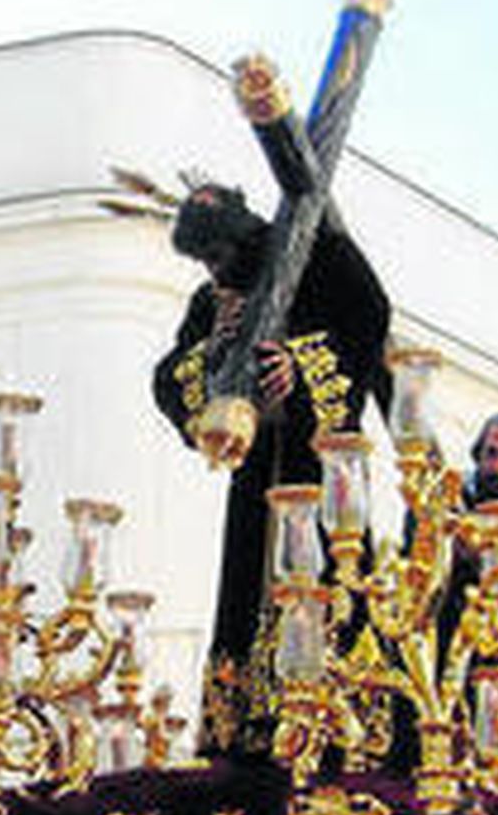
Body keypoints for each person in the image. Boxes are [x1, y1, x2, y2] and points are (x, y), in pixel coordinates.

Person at [154, 182, 391, 756]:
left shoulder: (323, 257)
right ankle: (241, 728)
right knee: (246, 591)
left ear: (243, 235)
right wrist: (213, 349)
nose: (213, 272)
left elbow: (370, 320)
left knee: (332, 584)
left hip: (324, 468)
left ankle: (336, 723)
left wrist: (299, 367)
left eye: (218, 256)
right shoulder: (212, 302)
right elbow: (167, 380)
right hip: (256, 477)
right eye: (204, 261)